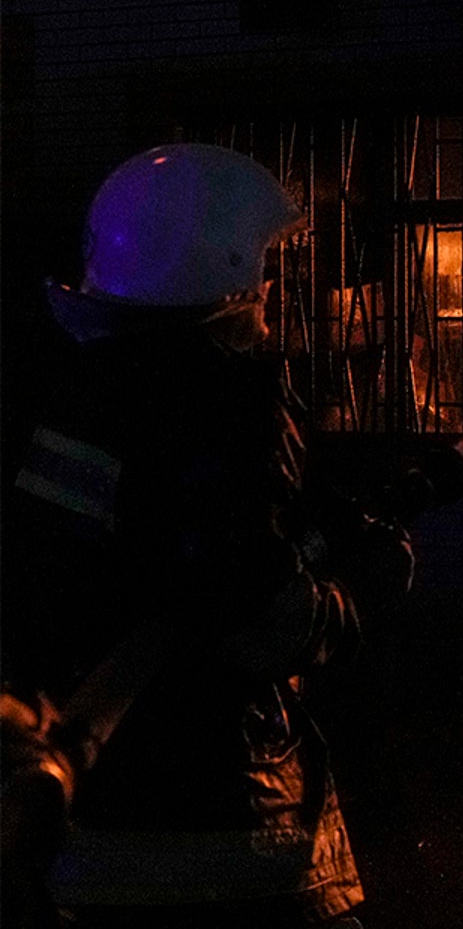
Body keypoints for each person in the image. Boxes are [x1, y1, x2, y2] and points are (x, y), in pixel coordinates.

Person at [1, 144, 418, 927]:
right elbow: (258, 625)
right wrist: (361, 584)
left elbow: (152, 558)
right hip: (226, 831)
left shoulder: (76, 385)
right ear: (223, 269)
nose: (270, 286)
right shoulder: (226, 402)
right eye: (265, 262)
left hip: (88, 823)